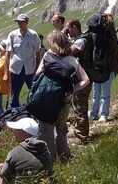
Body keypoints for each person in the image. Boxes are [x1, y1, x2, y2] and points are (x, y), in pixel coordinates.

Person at [36, 31, 90, 161]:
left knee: (46, 130)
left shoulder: (47, 56)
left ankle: (50, 160)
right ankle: (64, 156)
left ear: (53, 44)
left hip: (46, 99)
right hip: (64, 99)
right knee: (61, 128)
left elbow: (37, 75)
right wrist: (72, 90)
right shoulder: (72, 60)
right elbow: (86, 80)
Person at [0, 117, 52, 183]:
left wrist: (0, 168)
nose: (14, 131)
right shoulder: (44, 148)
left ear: (24, 133)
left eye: (17, 129)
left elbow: (4, 174)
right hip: (43, 181)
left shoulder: (14, 153)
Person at [66, 19, 95, 143]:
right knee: (78, 105)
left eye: (69, 29)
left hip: (83, 78)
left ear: (74, 27)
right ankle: (80, 131)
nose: (68, 31)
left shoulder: (81, 40)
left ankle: (82, 136)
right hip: (83, 77)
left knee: (80, 106)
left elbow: (70, 52)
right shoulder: (83, 39)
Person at [5, 14, 41, 108]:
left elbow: (38, 53)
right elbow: (7, 54)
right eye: (18, 22)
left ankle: (35, 110)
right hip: (16, 70)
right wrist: (6, 72)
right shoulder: (12, 35)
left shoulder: (33, 35)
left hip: (30, 70)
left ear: (26, 23)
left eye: (22, 22)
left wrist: (38, 69)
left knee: (34, 92)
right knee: (14, 94)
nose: (20, 24)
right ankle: (14, 113)